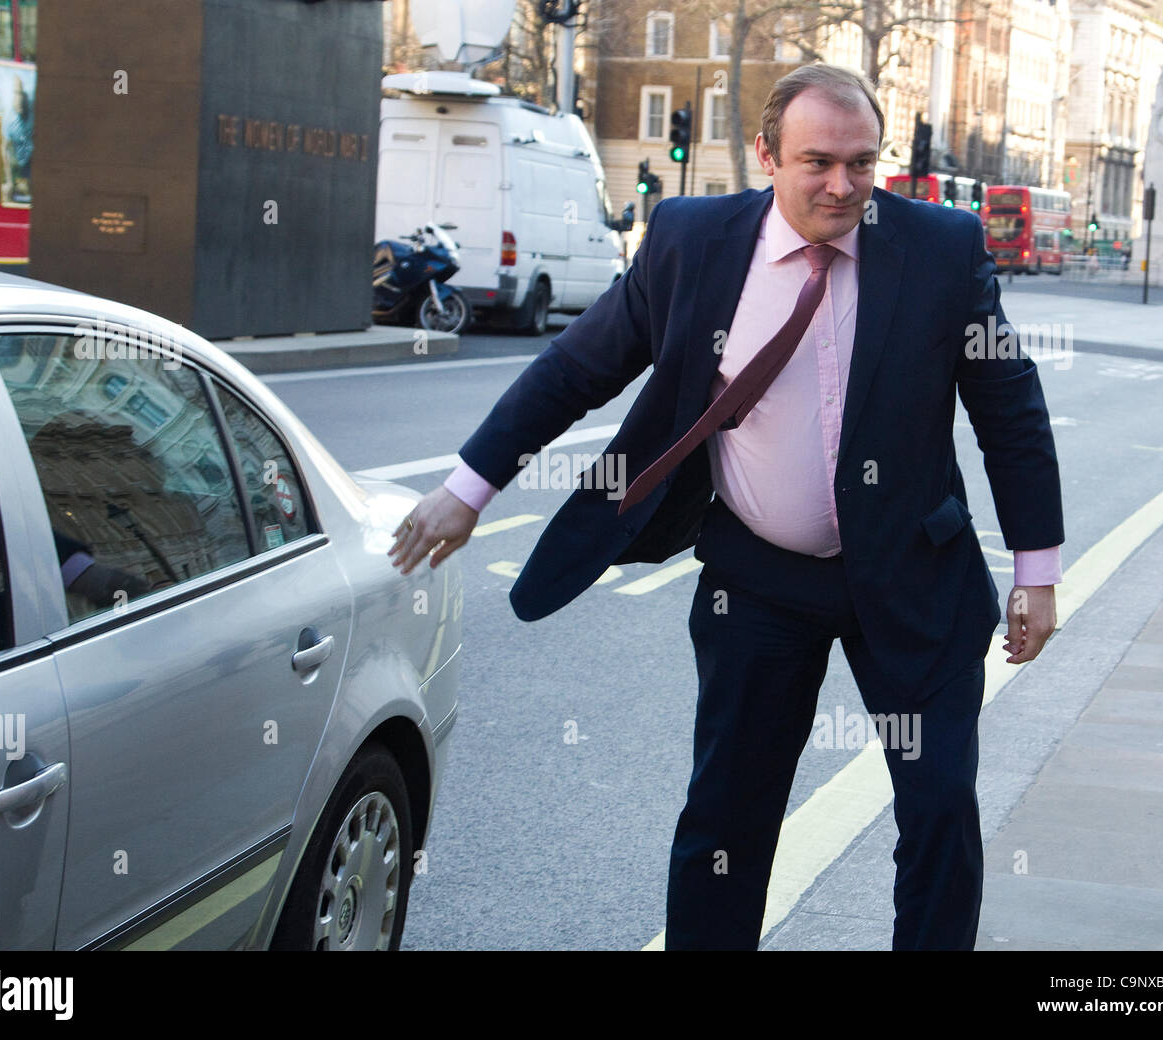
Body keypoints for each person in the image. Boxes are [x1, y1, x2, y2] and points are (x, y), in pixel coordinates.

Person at [388, 64, 1064, 951]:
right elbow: (579, 369)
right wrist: (468, 490)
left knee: (940, 814)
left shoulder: (941, 250)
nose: (842, 185)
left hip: (914, 575)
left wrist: (1037, 573)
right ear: (765, 155)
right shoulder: (691, 242)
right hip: (757, 583)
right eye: (817, 161)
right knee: (727, 826)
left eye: (862, 164)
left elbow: (1008, 406)